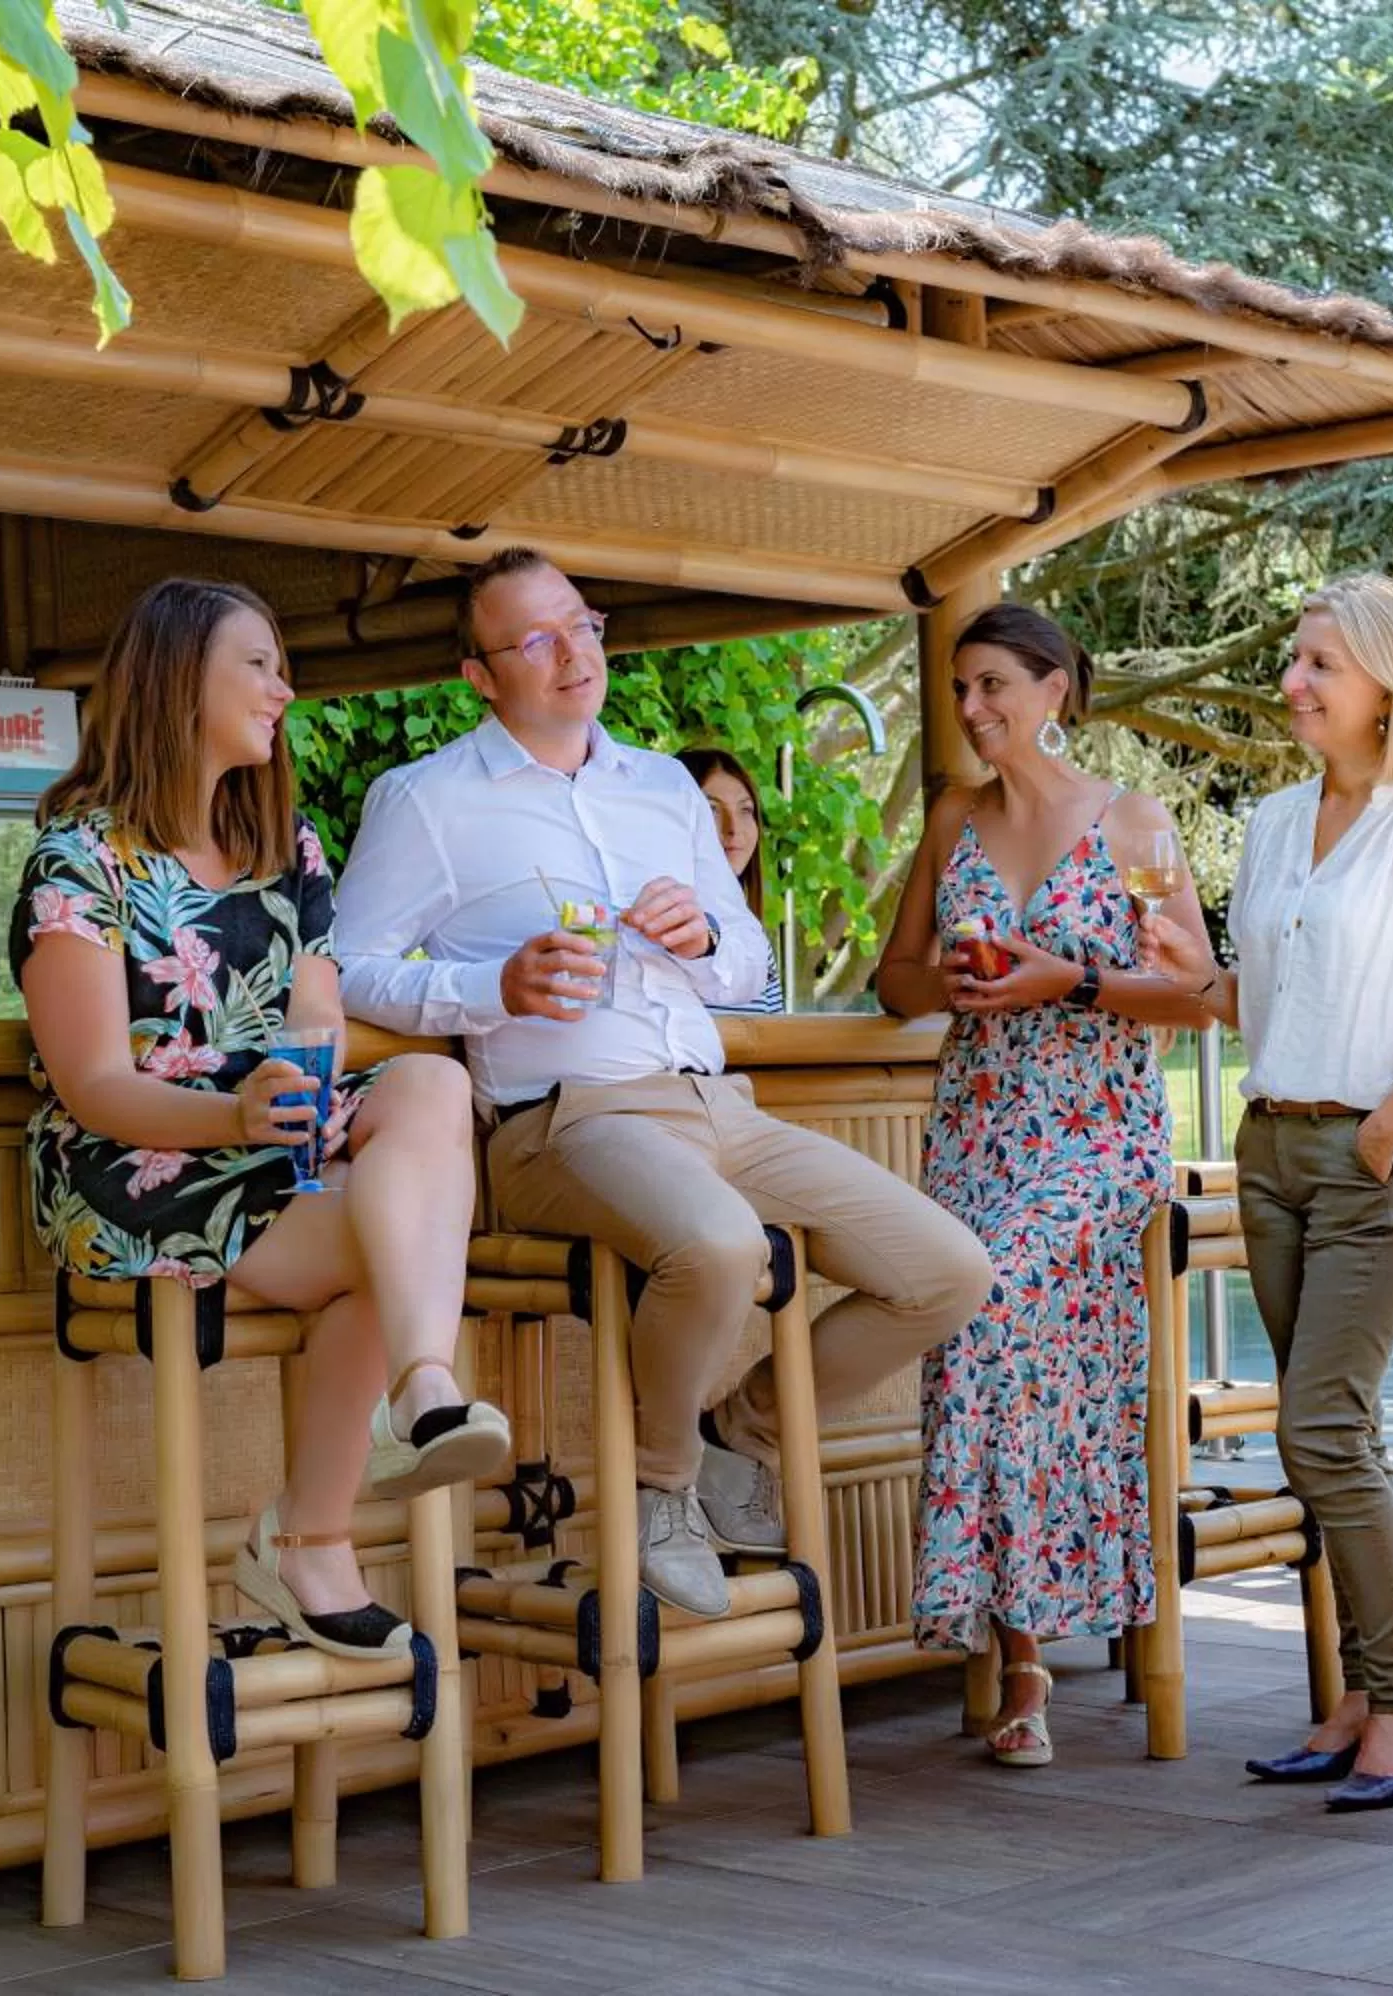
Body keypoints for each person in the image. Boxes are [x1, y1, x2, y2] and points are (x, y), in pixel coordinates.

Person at [334, 547, 993, 1619]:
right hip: (563, 1120)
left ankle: (741, 1438)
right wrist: (491, 984)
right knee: (721, 1243)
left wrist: (701, 940)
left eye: (581, 625)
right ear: (479, 675)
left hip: (715, 1103)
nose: (571, 654)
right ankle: (660, 1488)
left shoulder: (660, 788)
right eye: (535, 640)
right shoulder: (425, 799)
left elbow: (750, 964)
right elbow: (348, 965)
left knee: (947, 1270)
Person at [13, 577, 511, 1661]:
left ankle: (425, 1385)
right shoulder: (79, 861)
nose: (284, 689)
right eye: (260, 664)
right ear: (179, 675)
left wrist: (309, 1096)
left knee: (425, 1090)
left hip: (265, 1149)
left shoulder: (291, 850)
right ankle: (311, 1538)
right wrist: (242, 1116)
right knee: (398, 1236)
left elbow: (316, 1011)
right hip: (136, 1168)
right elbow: (93, 1082)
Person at [1138, 575, 1393, 1811]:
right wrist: (1203, 977)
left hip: (1371, 1150)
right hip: (1271, 1143)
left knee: (1321, 1430)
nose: (1293, 682)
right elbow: (1273, 998)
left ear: (1389, 685)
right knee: (1333, 1439)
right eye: (1295, 660)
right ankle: (1358, 1698)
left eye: (1320, 665)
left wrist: (1386, 1132)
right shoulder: (1281, 820)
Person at [872, 604, 1198, 1769]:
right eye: (962, 688)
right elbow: (890, 977)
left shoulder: (1134, 823)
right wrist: (952, 981)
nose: (972, 709)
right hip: (977, 1133)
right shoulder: (954, 818)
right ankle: (1019, 1658)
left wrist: (1070, 980)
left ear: (1057, 688)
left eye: (995, 684)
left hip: (1099, 1136)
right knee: (976, 1343)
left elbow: (1199, 990)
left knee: (992, 1310)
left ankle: (1044, 1639)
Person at [677, 746, 787, 1013]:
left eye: (745, 810)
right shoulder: (651, 929)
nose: (733, 829)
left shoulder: (754, 944)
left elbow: (781, 1045)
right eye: (711, 809)